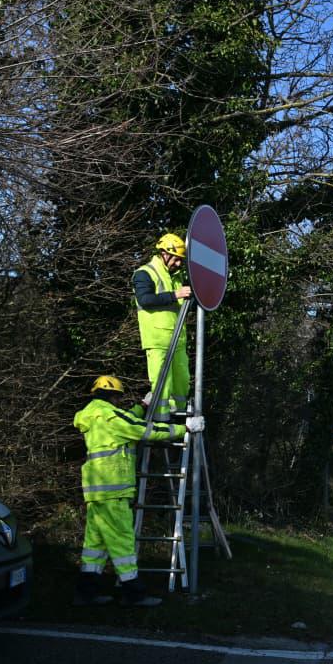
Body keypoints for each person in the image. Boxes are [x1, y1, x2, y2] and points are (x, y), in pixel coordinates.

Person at [72, 375, 202, 607]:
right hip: (114, 492)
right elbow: (144, 430)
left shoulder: (94, 415)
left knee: (95, 545)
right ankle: (134, 593)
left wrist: (142, 406)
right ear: (113, 396)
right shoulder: (111, 416)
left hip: (96, 491)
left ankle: (85, 593)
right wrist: (184, 429)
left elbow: (127, 419)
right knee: (123, 542)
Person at [134, 233, 193, 416]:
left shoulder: (176, 277)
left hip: (178, 341)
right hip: (158, 341)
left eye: (181, 261)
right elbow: (145, 299)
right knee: (162, 384)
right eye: (176, 260)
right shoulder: (145, 273)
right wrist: (175, 295)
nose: (178, 264)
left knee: (183, 382)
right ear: (164, 254)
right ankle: (161, 422)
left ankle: (179, 419)